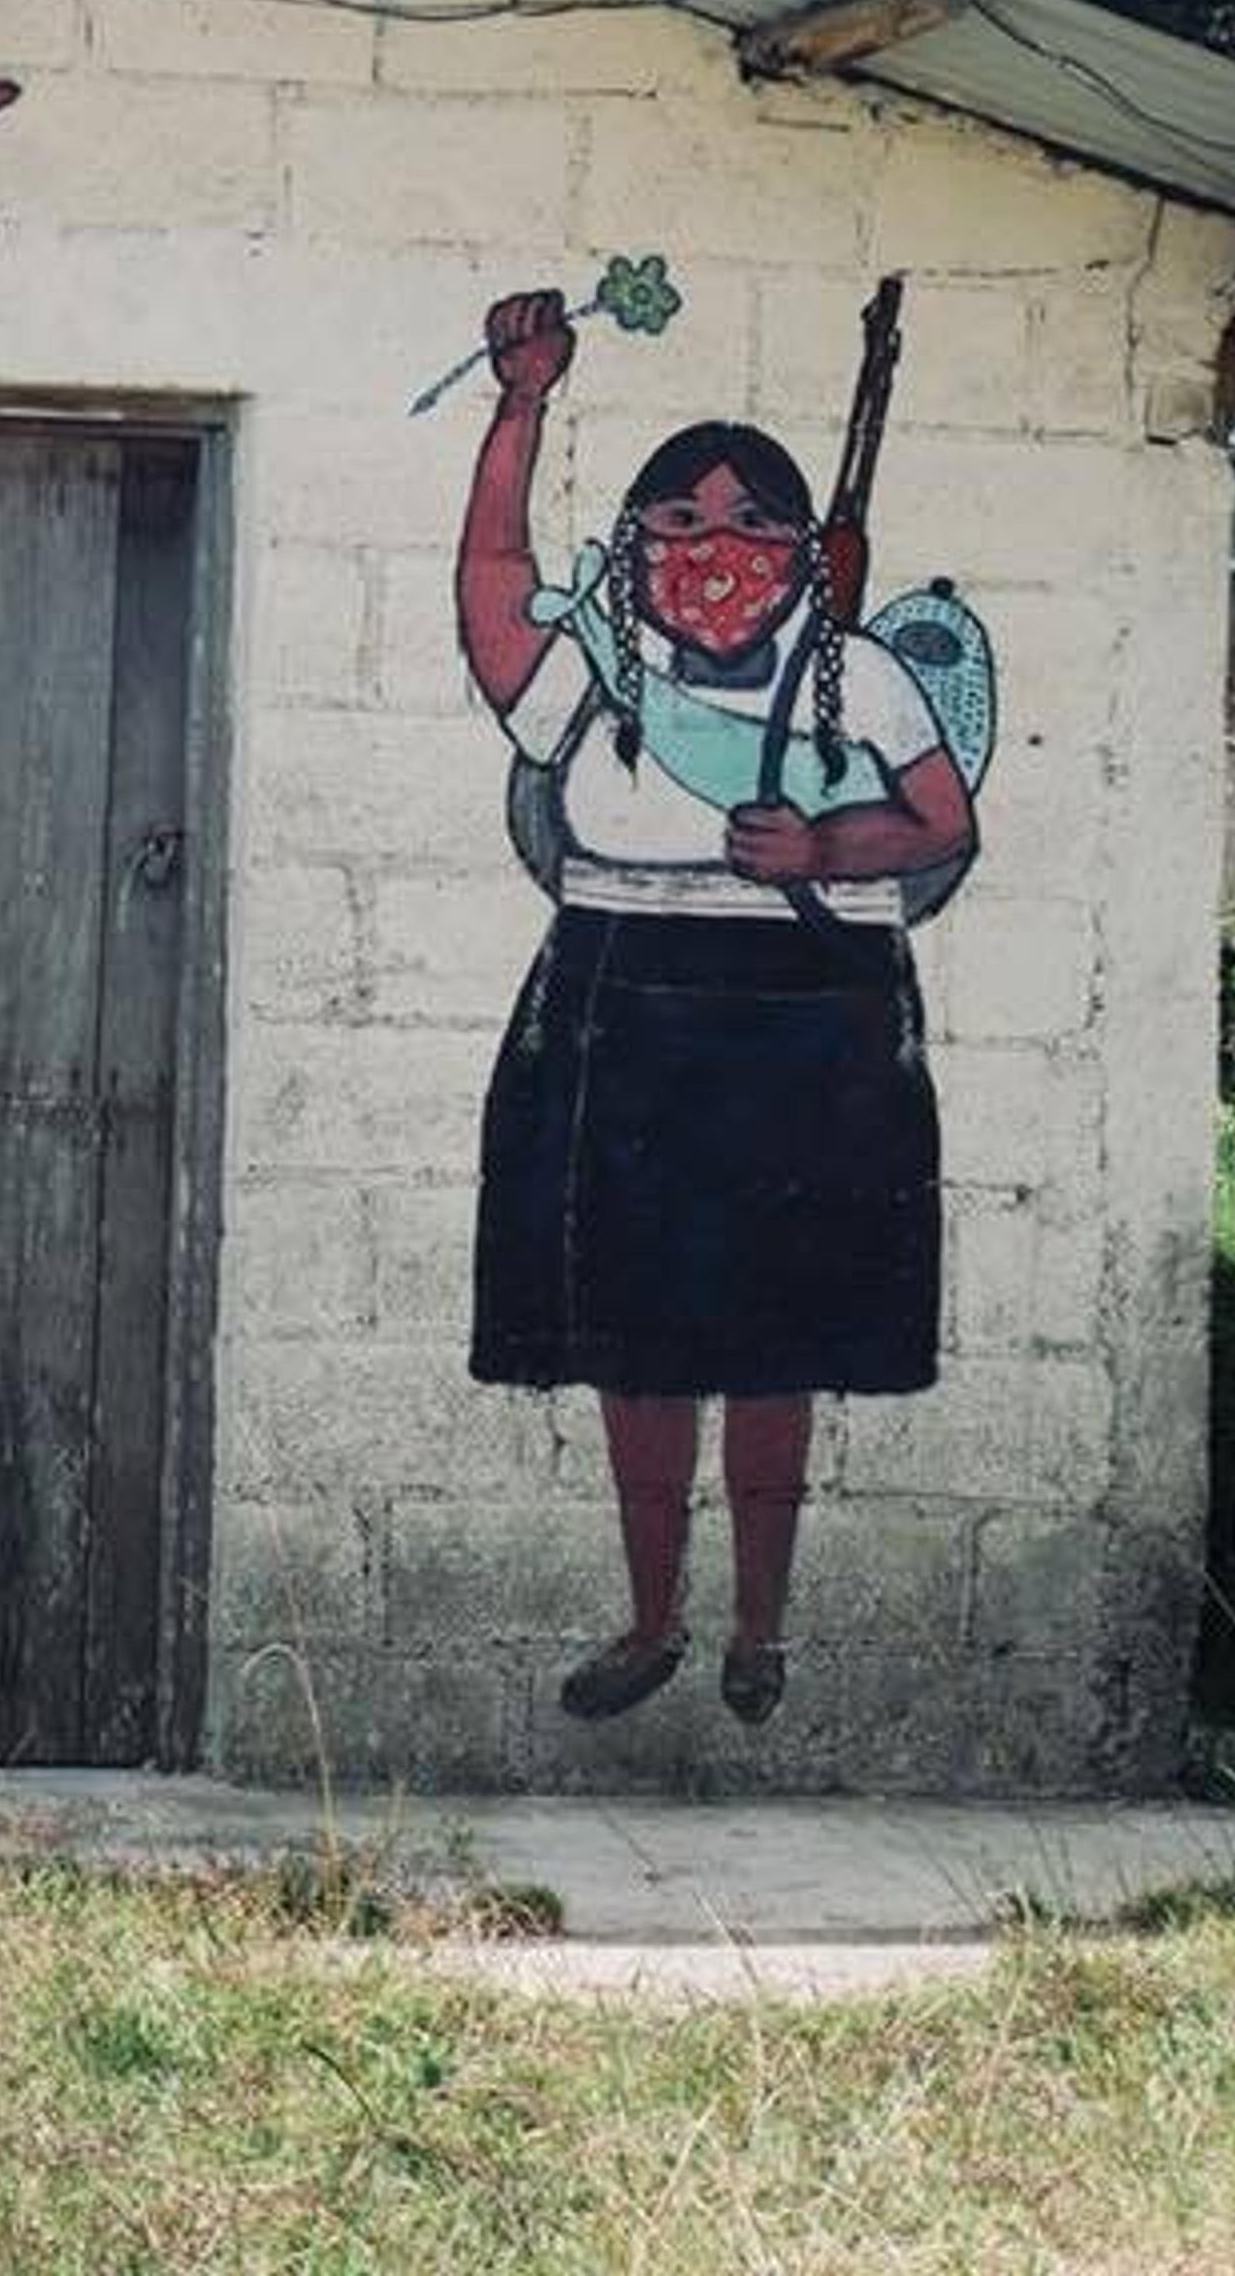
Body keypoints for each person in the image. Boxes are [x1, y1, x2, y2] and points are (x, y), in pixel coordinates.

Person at [450, 286, 977, 1725]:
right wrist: (521, 407)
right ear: (636, 549)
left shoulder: (858, 679)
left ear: (806, 551)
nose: (715, 556)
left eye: (750, 528)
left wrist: (826, 847)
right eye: (680, 528)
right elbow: (496, 598)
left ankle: (760, 1631)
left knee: (776, 1343)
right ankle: (651, 1620)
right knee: (639, 1344)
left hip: (813, 1022)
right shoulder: (604, 676)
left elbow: (942, 825)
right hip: (626, 1011)